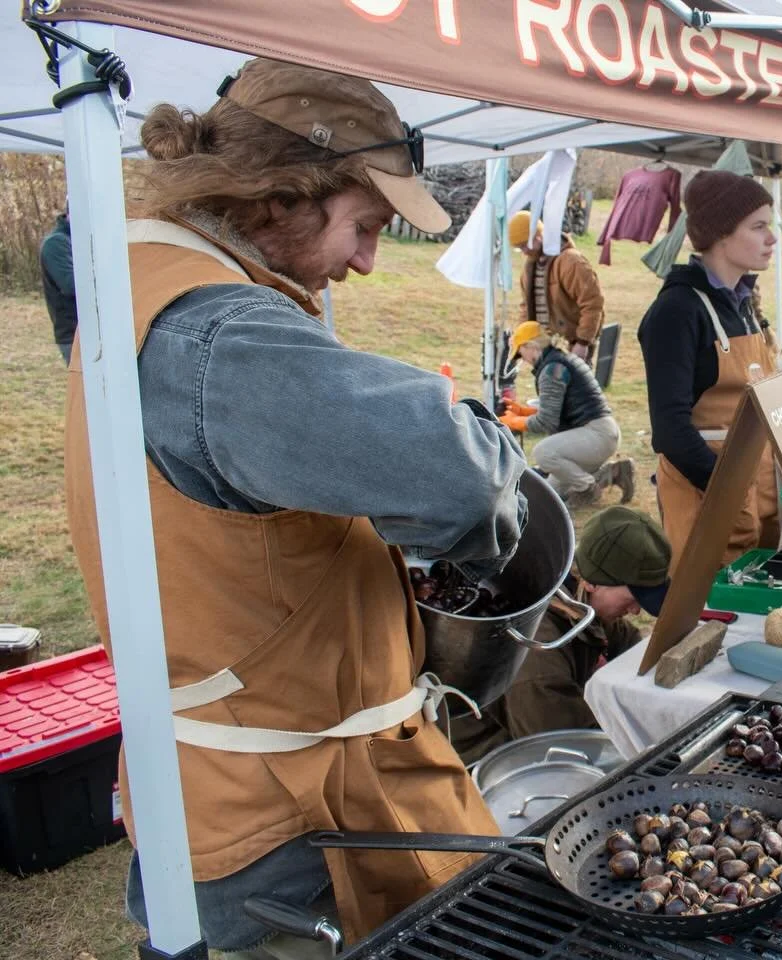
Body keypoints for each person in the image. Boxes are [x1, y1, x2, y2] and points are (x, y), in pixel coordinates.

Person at [64, 59, 533, 957]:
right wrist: (477, 439)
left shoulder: (145, 268)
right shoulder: (222, 339)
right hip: (289, 813)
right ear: (278, 196)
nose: (365, 260)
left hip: (233, 775)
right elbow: (463, 479)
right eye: (364, 226)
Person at [637, 170, 779, 571]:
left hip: (758, 490)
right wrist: (728, 492)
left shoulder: (744, 305)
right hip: (709, 498)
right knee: (713, 612)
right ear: (720, 234)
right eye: (758, 227)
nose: (772, 239)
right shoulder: (678, 311)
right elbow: (670, 431)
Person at [450, 505, 669, 761]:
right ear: (592, 582)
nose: (635, 611)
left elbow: (631, 651)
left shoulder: (584, 602)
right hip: (494, 756)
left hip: (541, 735)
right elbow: (563, 747)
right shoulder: (540, 648)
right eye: (634, 598)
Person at [501, 320, 633, 507]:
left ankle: (587, 488)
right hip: (600, 434)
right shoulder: (559, 361)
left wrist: (514, 422)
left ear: (530, 346)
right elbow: (559, 408)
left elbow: (546, 422)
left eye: (520, 353)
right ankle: (615, 472)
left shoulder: (551, 370)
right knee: (550, 494)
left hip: (595, 435)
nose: (522, 359)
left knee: (543, 453)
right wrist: (523, 411)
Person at [509, 210, 605, 360]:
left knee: (575, 383)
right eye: (520, 247)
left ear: (539, 235)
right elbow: (526, 308)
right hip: (544, 348)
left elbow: (592, 303)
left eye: (526, 244)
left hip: (573, 345)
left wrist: (583, 342)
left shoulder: (571, 262)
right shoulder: (529, 268)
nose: (524, 251)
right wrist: (520, 339)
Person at [39, 210, 78, 363]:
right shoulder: (56, 243)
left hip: (88, 333)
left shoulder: (77, 240)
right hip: (72, 335)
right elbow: (71, 285)